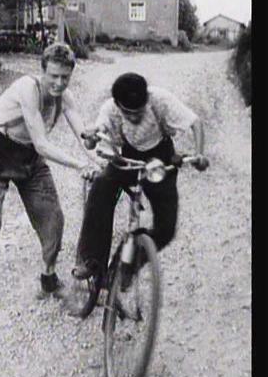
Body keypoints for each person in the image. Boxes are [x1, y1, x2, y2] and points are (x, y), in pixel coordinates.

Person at [0, 42, 99, 305]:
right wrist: (79, 165)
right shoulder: (28, 89)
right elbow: (42, 144)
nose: (59, 83)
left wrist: (96, 157)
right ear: (43, 71)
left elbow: (83, 135)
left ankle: (48, 278)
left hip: (29, 157)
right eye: (54, 76)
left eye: (65, 77)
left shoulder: (65, 97)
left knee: (53, 218)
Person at [73, 72, 209, 287]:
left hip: (160, 161)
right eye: (128, 113)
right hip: (127, 158)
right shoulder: (109, 109)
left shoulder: (160, 100)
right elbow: (95, 136)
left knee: (166, 229)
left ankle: (124, 267)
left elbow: (195, 122)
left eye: (140, 111)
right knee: (101, 185)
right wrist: (91, 136)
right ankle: (91, 260)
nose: (135, 118)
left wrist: (199, 154)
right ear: (118, 104)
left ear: (147, 99)